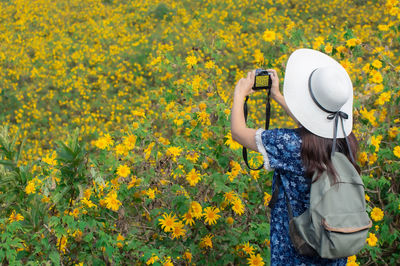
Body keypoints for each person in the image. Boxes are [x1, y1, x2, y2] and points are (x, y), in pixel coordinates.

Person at [230, 48, 361, 265]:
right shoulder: (345, 139)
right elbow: (314, 125)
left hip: (298, 249)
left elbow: (238, 133)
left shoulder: (290, 144)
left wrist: (239, 94)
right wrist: (278, 97)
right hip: (332, 241)